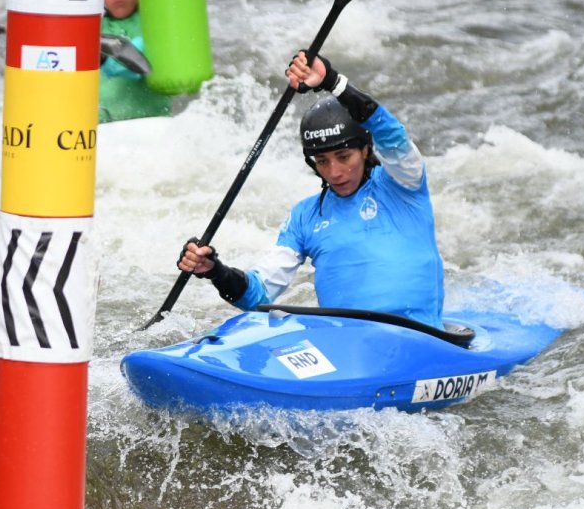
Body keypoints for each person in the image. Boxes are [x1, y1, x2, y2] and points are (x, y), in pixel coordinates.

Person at [176, 51, 446, 329]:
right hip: (347, 343)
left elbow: (390, 133)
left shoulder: (403, 183)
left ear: (366, 150)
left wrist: (333, 82)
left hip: (422, 337)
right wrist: (215, 271)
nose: (334, 172)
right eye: (322, 161)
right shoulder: (305, 216)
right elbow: (259, 295)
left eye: (344, 157)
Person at [98, 0, 173, 123]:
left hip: (153, 127)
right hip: (103, 131)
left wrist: (103, 58)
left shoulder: (157, 22)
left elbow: (140, 61)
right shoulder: (94, 27)